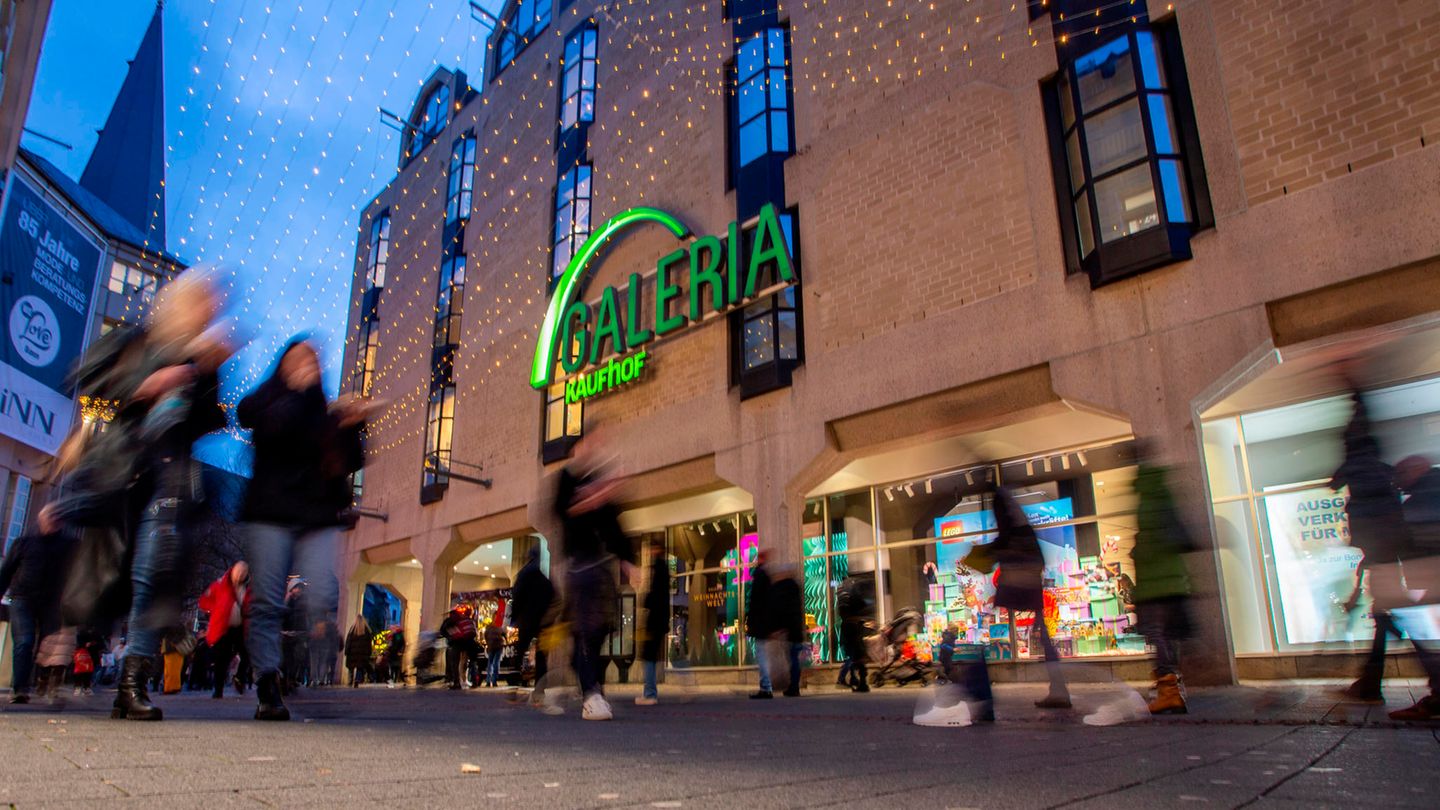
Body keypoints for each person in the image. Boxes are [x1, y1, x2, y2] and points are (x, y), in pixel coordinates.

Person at [239, 338, 372, 721]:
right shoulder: (267, 401)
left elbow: (349, 462)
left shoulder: (325, 413)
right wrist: (296, 396)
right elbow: (261, 423)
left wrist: (352, 425)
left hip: (314, 515)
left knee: (322, 589)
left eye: (313, 361)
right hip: (269, 512)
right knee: (266, 601)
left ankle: (290, 655)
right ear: (283, 365)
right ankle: (267, 680)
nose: (307, 366)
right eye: (299, 359)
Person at [1328, 385, 1414, 706]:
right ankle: (1371, 679)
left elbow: (1334, 482)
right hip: (1389, 552)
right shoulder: (1379, 468)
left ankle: (1372, 680)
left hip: (1381, 551)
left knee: (1388, 614)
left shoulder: (1357, 465)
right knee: (1385, 612)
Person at [552, 425, 637, 720]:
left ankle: (589, 682)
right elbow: (565, 511)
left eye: (601, 441)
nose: (597, 447)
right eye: (594, 440)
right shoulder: (566, 478)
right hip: (580, 566)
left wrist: (627, 560)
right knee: (586, 631)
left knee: (597, 632)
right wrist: (598, 495)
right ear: (579, 446)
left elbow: (613, 524)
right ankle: (591, 695)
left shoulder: (597, 481)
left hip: (601, 567)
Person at [1131, 458, 1195, 715]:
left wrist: (1137, 548)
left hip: (1156, 583)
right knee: (1168, 636)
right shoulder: (1165, 498)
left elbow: (1154, 542)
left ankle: (1169, 692)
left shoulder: (1149, 504)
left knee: (1157, 635)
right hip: (1173, 580)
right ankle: (1174, 690)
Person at [0, 516, 74, 704]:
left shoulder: (68, 546)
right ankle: (20, 688)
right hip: (22, 598)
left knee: (48, 646)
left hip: (51, 602)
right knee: (24, 641)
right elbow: (7, 571)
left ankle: (42, 680)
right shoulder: (23, 543)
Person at [197, 561, 251, 699]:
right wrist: (214, 612)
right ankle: (218, 688)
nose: (240, 575)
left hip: (240, 627)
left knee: (247, 654)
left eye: (243, 573)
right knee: (222, 659)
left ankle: (239, 677)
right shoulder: (220, 585)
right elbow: (204, 601)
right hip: (223, 628)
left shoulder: (249, 588)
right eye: (238, 572)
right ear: (232, 571)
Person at [510, 545, 555, 705]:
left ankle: (513, 688)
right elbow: (553, 598)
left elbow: (516, 599)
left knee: (519, 653)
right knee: (542, 656)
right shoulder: (544, 581)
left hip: (526, 621)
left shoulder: (523, 577)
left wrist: (514, 619)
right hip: (543, 623)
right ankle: (539, 691)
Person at [636, 539, 670, 705]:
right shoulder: (661, 568)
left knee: (648, 655)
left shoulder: (659, 568)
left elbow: (656, 595)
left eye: (652, 549)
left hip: (655, 620)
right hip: (659, 620)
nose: (650, 552)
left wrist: (645, 600)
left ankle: (650, 693)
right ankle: (650, 692)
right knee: (650, 655)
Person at [770, 567, 806, 697]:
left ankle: (794, 687)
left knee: (793, 659)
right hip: (797, 631)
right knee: (794, 658)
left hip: (792, 632)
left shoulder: (785, 591)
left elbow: (784, 612)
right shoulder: (795, 590)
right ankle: (794, 685)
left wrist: (779, 628)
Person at [745, 549, 776, 699]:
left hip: (760, 624)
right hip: (763, 624)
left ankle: (766, 687)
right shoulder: (765, 576)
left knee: (761, 655)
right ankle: (766, 686)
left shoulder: (760, 575)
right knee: (762, 654)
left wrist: (751, 622)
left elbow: (756, 603)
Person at [836, 577, 871, 693]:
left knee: (854, 655)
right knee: (854, 655)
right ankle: (850, 679)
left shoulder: (843, 598)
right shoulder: (851, 598)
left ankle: (854, 679)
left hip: (849, 628)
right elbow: (861, 608)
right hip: (853, 629)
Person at [440, 605, 480, 689]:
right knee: (472, 662)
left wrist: (449, 637)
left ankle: (456, 683)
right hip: (470, 642)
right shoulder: (468, 620)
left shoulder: (451, 620)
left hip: (458, 642)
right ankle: (475, 682)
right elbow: (474, 632)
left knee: (455, 663)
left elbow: (442, 631)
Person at [344, 616, 373, 686]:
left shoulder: (352, 630)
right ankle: (357, 679)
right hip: (362, 654)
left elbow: (348, 642)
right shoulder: (367, 630)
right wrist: (369, 652)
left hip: (352, 653)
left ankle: (350, 681)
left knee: (351, 668)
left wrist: (346, 651)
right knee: (360, 667)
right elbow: (369, 643)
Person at [483, 621, 505, 688]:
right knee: (495, 663)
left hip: (492, 646)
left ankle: (489, 681)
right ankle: (493, 681)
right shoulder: (499, 626)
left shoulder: (489, 627)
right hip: (497, 646)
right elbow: (504, 634)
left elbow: (485, 635)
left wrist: (488, 643)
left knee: (491, 663)